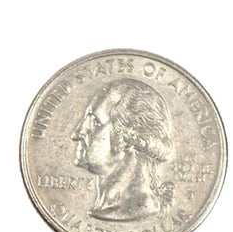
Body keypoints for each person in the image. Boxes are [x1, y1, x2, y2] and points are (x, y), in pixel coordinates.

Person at [70, 78, 174, 221]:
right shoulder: (102, 208)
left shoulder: (139, 211)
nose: (77, 133)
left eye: (95, 122)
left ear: (127, 137)